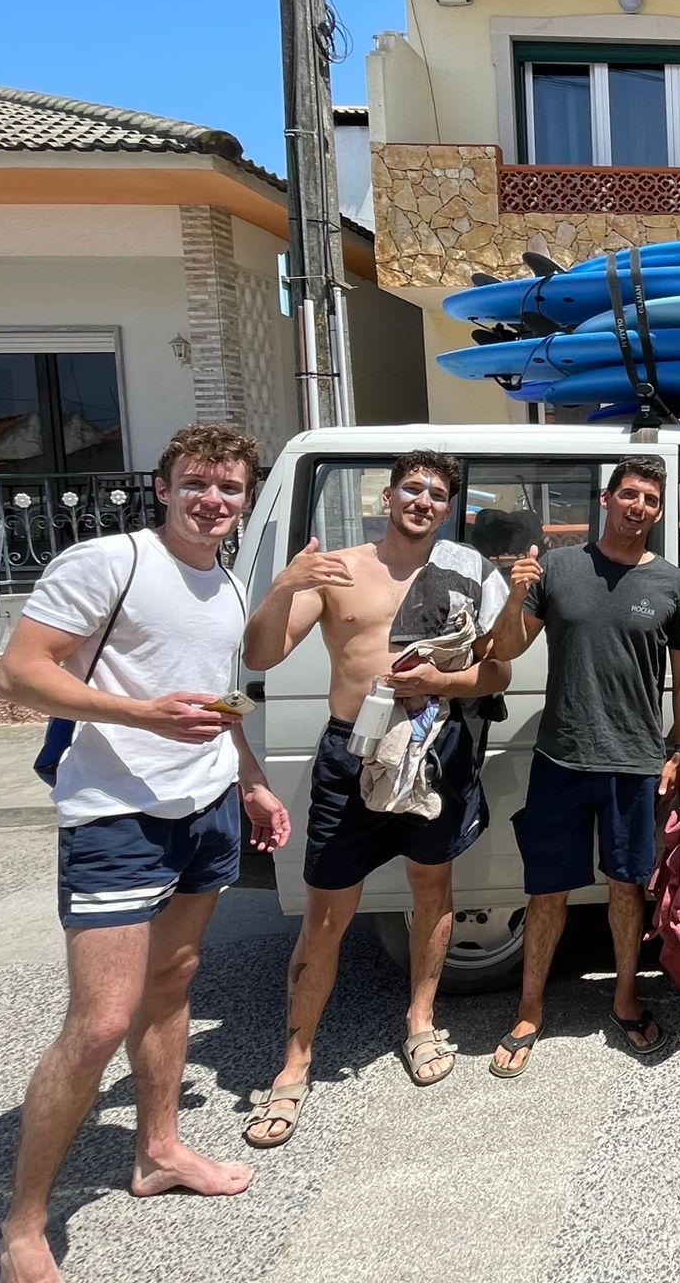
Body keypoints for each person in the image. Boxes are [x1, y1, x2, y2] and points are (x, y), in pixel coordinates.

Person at [0, 424, 291, 1283]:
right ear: (161, 486)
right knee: (96, 1024)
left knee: (174, 985)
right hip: (116, 815)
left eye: (230, 488)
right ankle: (22, 1227)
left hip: (204, 808)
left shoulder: (228, 583)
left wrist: (251, 779)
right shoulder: (108, 562)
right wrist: (140, 715)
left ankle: (157, 1151)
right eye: (198, 482)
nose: (214, 500)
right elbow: (19, 674)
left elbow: (218, 702)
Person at [239, 450, 509, 1146]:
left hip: (435, 745)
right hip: (351, 754)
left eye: (436, 493)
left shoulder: (463, 574)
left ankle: (421, 1021)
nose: (423, 501)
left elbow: (495, 670)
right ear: (387, 496)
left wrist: (441, 686)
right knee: (327, 915)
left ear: (447, 509)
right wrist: (283, 584)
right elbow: (261, 655)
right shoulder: (340, 569)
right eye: (412, 489)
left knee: (433, 893)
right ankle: (295, 1064)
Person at [478, 456, 680, 1075]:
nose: (638, 506)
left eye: (650, 500)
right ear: (606, 499)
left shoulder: (673, 585)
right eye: (629, 494)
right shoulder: (557, 567)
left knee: (628, 887)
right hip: (561, 756)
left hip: (634, 761)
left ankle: (626, 999)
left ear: (659, 511)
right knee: (547, 890)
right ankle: (529, 1010)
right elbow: (507, 648)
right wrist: (518, 591)